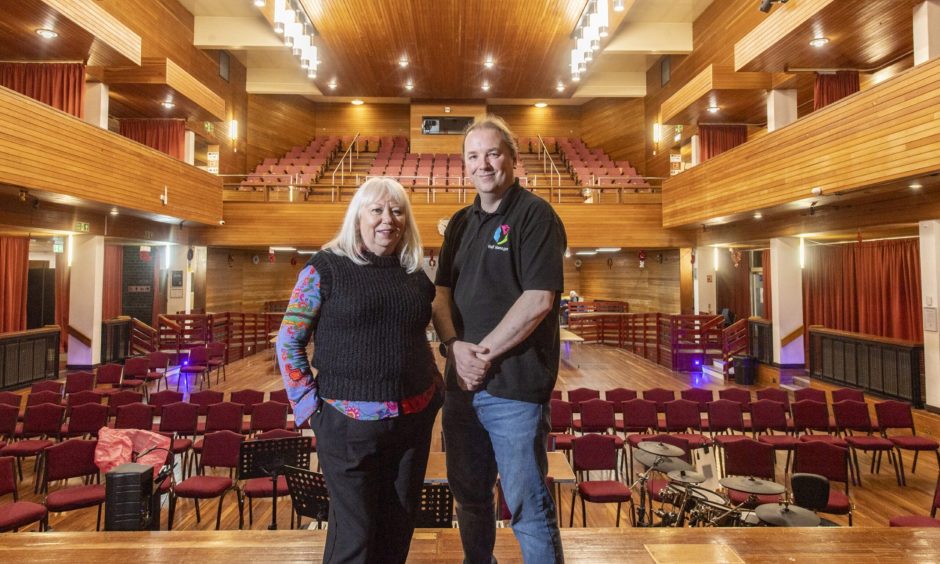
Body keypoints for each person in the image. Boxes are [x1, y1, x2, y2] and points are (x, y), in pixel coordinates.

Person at [276, 177, 443, 564]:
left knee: (397, 527)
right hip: (347, 425)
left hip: (412, 424)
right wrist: (309, 409)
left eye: (397, 211)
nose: (388, 219)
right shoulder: (326, 268)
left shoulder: (414, 275)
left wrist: (435, 390)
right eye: (378, 210)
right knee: (355, 535)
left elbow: (417, 337)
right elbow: (288, 340)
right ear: (358, 217)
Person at [433, 116, 567, 563]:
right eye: (473, 156)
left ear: (512, 157)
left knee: (527, 507)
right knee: (470, 501)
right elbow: (441, 294)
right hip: (462, 390)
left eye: (492, 153)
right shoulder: (459, 223)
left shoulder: (535, 215)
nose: (483, 164)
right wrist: (454, 347)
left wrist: (481, 354)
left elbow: (539, 300)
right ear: (465, 165)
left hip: (514, 391)